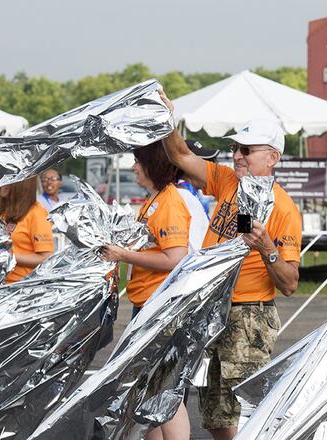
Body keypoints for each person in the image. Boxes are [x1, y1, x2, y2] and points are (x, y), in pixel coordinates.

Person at [159, 91, 302, 440]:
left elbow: (290, 283)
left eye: (247, 150)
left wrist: (268, 248)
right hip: (212, 311)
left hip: (247, 316)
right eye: (236, 148)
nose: (237, 155)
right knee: (216, 413)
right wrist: (166, 118)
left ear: (272, 157)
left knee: (246, 412)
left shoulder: (283, 209)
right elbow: (179, 154)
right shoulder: (228, 182)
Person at [101, 141, 192, 440]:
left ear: (153, 163)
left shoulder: (169, 202)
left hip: (161, 309)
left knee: (165, 390)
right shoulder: (156, 200)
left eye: (138, 161)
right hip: (149, 306)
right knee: (148, 388)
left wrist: (123, 255)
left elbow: (174, 258)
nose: (133, 167)